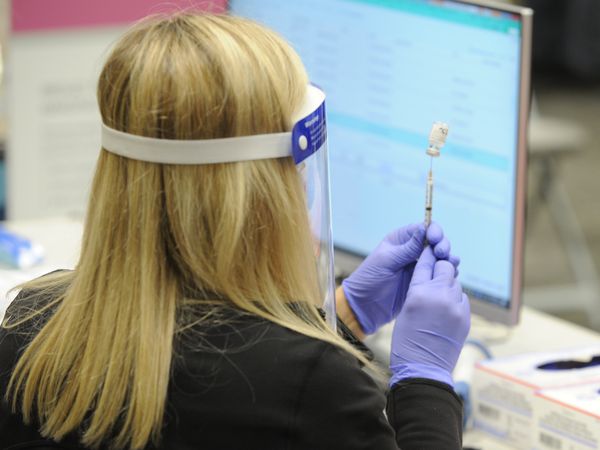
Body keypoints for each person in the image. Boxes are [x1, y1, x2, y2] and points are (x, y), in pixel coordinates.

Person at [0, 13, 470, 450]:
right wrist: (425, 384)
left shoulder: (32, 326)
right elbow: (276, 382)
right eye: (296, 170)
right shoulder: (317, 388)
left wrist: (343, 317)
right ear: (256, 194)